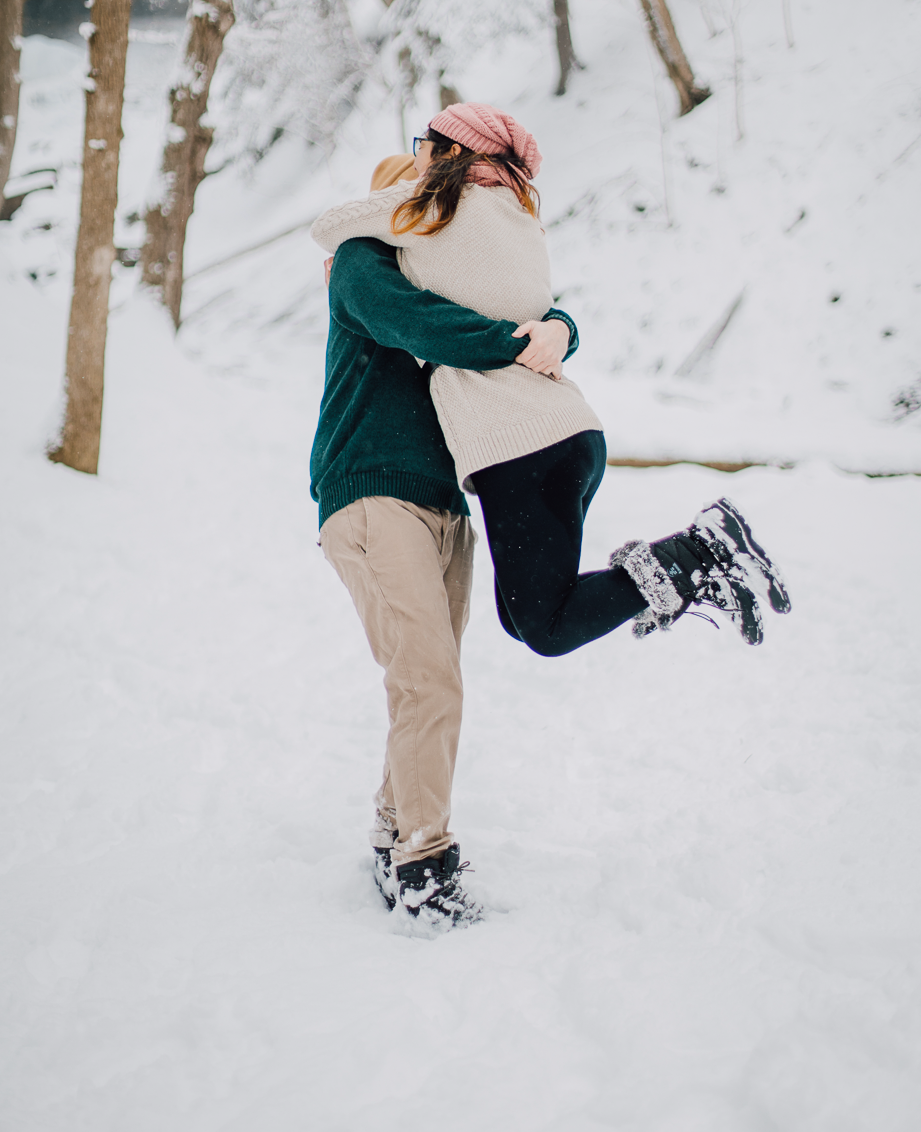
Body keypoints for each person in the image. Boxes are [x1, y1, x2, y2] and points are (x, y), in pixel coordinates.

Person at [312, 103, 791, 663]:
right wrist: (558, 330)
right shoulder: (517, 215)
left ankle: (696, 552)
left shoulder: (433, 206)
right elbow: (528, 309)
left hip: (516, 443)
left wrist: (366, 245)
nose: (416, 152)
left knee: (546, 625)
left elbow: (333, 229)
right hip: (572, 432)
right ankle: (688, 574)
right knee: (524, 618)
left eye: (423, 141)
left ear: (453, 153)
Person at [311, 223, 579, 926]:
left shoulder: (447, 270)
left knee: (426, 682)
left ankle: (391, 829)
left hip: (443, 503)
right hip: (371, 492)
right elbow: (422, 326)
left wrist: (560, 324)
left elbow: (519, 302)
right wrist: (531, 340)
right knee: (427, 679)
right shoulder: (362, 262)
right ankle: (423, 866)